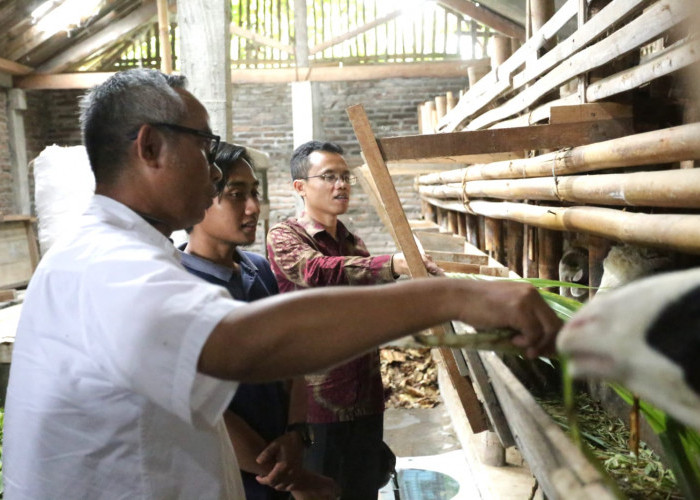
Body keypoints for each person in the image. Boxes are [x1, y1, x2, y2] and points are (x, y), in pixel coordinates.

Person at [4, 68, 560, 500]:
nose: (215, 173)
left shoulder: (129, 256)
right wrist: (454, 294)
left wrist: (294, 475)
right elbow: (240, 345)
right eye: (203, 146)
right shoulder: (108, 263)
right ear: (150, 148)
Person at [265, 141, 441, 498]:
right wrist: (392, 264)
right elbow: (317, 271)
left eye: (345, 177)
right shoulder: (285, 237)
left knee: (362, 490)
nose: (341, 185)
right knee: (323, 491)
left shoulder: (354, 243)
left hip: (365, 397)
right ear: (300, 187)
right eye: (329, 177)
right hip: (318, 402)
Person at [180, 142, 336, 499]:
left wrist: (298, 433)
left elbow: (291, 359)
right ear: (198, 198)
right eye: (236, 195)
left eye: (255, 193)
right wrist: (297, 480)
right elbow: (204, 410)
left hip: (285, 459)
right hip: (233, 476)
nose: (253, 208)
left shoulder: (259, 268)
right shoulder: (179, 287)